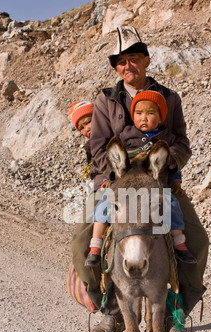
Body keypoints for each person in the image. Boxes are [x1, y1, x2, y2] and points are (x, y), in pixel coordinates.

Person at [71, 26, 209, 332]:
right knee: (80, 245)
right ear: (115, 67)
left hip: (158, 185)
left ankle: (176, 315)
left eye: (134, 58)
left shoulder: (170, 98)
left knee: (197, 242)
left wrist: (166, 162)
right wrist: (119, 170)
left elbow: (183, 144)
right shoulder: (105, 100)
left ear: (146, 60)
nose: (127, 65)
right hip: (115, 184)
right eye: (121, 61)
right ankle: (112, 311)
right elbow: (97, 149)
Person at [84, 90, 197, 267]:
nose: (144, 118)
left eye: (150, 113)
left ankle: (179, 244)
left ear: (161, 118)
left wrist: (176, 180)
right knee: (104, 205)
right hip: (122, 184)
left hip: (158, 185)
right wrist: (108, 176)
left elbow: (177, 157)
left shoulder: (167, 135)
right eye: (139, 113)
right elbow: (108, 154)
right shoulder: (124, 132)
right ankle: (95, 246)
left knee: (175, 208)